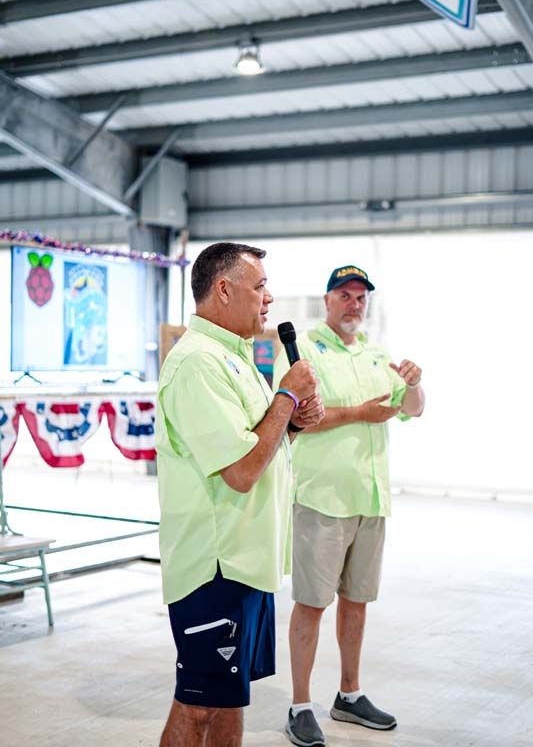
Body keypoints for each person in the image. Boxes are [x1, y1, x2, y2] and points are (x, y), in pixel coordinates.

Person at [155, 242, 324, 747]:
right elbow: (241, 472)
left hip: (246, 563)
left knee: (230, 697)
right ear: (224, 289)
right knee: (199, 703)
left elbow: (256, 442)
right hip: (215, 568)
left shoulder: (234, 357)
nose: (269, 298)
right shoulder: (197, 365)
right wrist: (286, 398)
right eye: (260, 286)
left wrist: (289, 425)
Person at [274, 264, 425, 747]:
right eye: (345, 295)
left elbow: (413, 408)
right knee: (312, 604)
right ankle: (300, 703)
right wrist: (360, 413)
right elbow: (299, 419)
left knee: (356, 603)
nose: (354, 304)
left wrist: (416, 383)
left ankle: (349, 694)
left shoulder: (377, 353)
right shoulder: (305, 352)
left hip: (371, 498)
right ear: (327, 300)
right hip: (322, 499)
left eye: (361, 298)